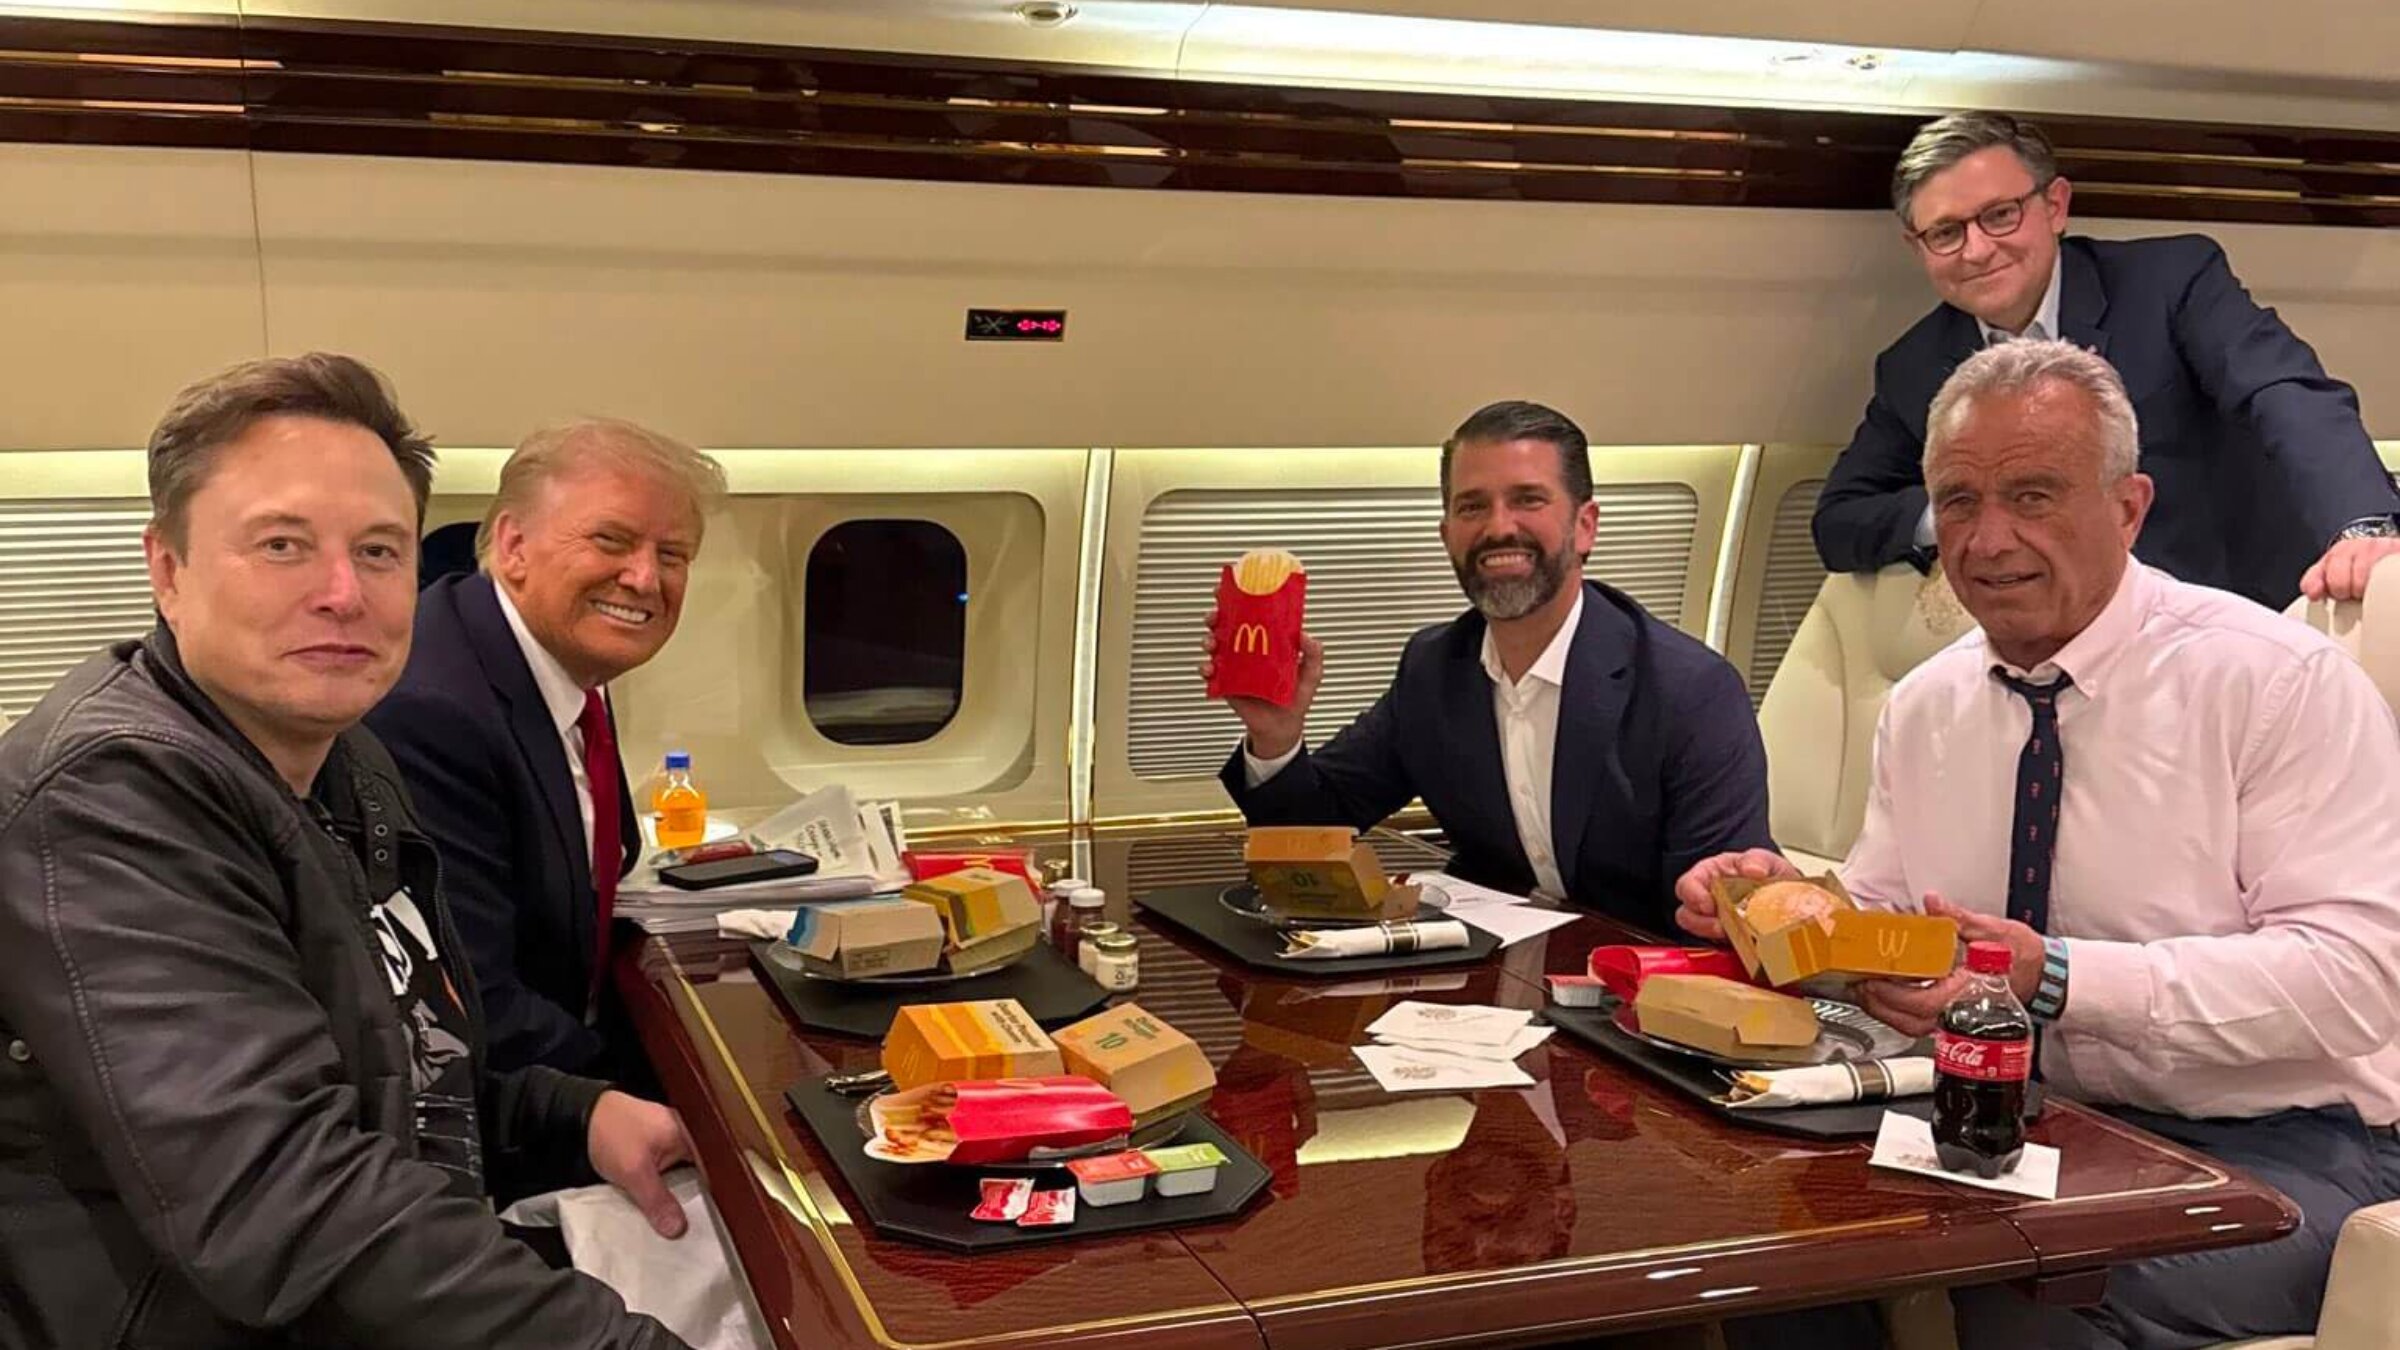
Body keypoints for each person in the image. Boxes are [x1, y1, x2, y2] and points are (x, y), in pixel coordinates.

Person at [1679, 339, 2400, 1349]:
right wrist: (1783, 914)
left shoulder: (2273, 684)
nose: (1988, 539)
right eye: (1960, 503)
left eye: (2034, 495)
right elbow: (1891, 929)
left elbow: (2356, 981)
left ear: (2129, 507)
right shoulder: (1928, 709)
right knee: (1780, 1243)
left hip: (2288, 1148)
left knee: (2030, 1284)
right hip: (2017, 1120)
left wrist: (2054, 979)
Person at [0, 354, 697, 1347]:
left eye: (379, 552)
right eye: (283, 545)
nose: (342, 592)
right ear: (168, 569)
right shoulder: (109, 796)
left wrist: (571, 1111)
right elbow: (285, 1201)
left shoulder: (344, 759)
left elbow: (406, 1045)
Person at [1205, 399, 1773, 931]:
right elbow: (1314, 835)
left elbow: (1718, 913)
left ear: (1585, 527)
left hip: (1631, 992)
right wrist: (1274, 735)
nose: (1498, 527)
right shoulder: (1434, 667)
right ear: (1446, 534)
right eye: (1472, 506)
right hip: (1492, 978)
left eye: (1528, 499)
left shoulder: (1689, 690)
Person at [1812, 110, 2400, 609]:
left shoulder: (2170, 283)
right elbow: (1839, 520)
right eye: (1945, 232)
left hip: (2244, 605)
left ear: (2056, 207)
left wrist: (2363, 526)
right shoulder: (1916, 365)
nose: (1977, 249)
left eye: (1999, 215)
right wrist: (1969, 511)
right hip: (2070, 644)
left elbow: (2284, 393)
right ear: (1918, 248)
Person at [366, 419, 724, 1078]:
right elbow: (474, 1006)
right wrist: (669, 1092)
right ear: (513, 545)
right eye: (610, 540)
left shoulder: (568, 670)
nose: (645, 579)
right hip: (498, 1116)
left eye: (672, 555)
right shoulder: (437, 712)